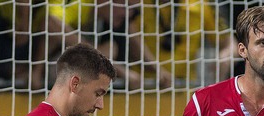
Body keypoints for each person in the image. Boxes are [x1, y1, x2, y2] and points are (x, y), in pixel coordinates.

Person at [40, 0, 174, 90]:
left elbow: (133, 38)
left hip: (70, 68)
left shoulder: (114, 14)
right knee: (108, 49)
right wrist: (124, 73)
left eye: (134, 10)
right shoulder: (81, 4)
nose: (128, 14)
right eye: (126, 6)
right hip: (35, 57)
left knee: (110, 48)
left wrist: (158, 69)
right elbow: (50, 23)